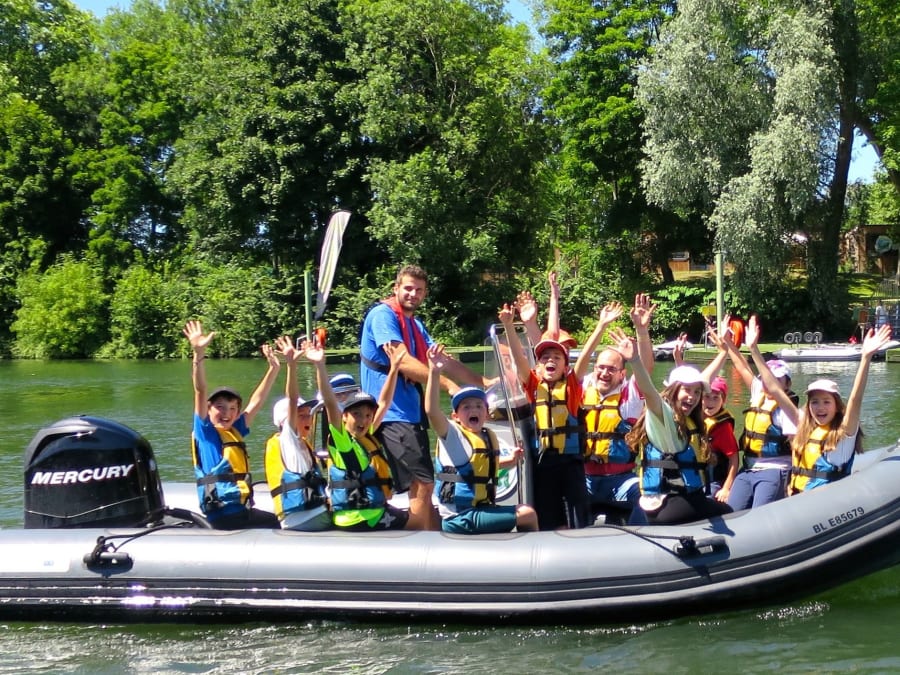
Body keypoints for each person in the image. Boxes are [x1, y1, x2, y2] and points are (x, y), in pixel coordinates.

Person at [359, 264, 486, 531]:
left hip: (411, 412)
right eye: (407, 288)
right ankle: (417, 548)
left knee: (427, 482)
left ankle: (434, 535)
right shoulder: (383, 316)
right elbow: (402, 360)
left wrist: (482, 382)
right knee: (422, 483)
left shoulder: (414, 324)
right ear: (396, 288)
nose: (413, 294)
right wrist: (450, 386)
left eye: (419, 290)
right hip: (390, 412)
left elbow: (442, 360)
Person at [745, 321, 892, 495]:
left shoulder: (844, 432)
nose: (820, 407)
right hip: (796, 499)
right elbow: (775, 390)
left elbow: (855, 398)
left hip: (824, 506)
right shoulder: (803, 426)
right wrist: (754, 349)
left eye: (826, 401)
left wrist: (866, 357)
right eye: (814, 402)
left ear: (837, 406)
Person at [616, 326, 732, 525]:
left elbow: (705, 379)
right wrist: (635, 360)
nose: (693, 397)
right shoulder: (664, 417)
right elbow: (650, 392)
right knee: (727, 511)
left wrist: (724, 352)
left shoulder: (684, 418)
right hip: (668, 505)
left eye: (697, 393)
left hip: (665, 502)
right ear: (673, 390)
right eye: (686, 390)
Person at [499, 303, 597, 530]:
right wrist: (508, 326)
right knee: (547, 512)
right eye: (544, 358)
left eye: (557, 357)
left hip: (571, 463)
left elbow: (586, 356)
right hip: (544, 462)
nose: (550, 361)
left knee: (577, 513)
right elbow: (518, 356)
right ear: (538, 367)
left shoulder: (572, 387)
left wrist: (600, 325)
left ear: (565, 367)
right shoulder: (533, 384)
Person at [308, 337, 421, 530]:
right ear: (344, 417)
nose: (363, 420)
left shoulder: (366, 434)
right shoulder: (343, 440)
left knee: (420, 512)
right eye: (357, 414)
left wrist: (393, 369)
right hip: (357, 516)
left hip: (371, 511)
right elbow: (329, 402)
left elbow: (384, 403)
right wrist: (320, 366)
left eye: (368, 415)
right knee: (418, 520)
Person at [426, 344, 538, 533]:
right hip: (460, 517)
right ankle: (534, 557)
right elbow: (432, 410)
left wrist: (509, 461)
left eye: (479, 406)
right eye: (466, 407)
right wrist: (434, 373)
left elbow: (477, 468)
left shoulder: (486, 436)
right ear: (455, 416)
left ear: (487, 414)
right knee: (527, 513)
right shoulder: (452, 435)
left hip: (481, 509)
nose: (474, 410)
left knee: (510, 518)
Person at [183, 320, 281, 530]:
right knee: (277, 527)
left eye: (232, 408)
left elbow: (257, 402)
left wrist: (273, 369)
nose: (226, 413)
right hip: (224, 516)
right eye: (220, 407)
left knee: (277, 522)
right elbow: (200, 390)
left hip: (241, 510)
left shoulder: (235, 431)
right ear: (209, 410)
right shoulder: (206, 432)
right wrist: (198, 354)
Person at [580, 294, 657, 522]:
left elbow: (647, 368)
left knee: (647, 496)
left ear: (622, 374)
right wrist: (601, 326)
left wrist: (642, 332)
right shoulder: (583, 386)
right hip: (585, 480)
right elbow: (580, 363)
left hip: (620, 480)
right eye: (601, 368)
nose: (604, 373)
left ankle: (637, 541)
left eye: (611, 369)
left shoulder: (630, 394)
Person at [714, 318, 799, 511]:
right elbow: (742, 366)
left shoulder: (787, 410)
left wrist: (794, 480)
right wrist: (728, 342)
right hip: (749, 468)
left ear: (787, 385)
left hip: (775, 470)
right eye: (767, 379)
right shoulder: (758, 393)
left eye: (777, 380)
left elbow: (797, 448)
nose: (769, 384)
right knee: (730, 510)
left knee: (760, 512)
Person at [264, 336, 330, 531]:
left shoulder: (303, 445)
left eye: (308, 414)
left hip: (312, 512)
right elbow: (292, 399)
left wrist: (319, 366)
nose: (308, 418)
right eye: (301, 416)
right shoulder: (287, 439)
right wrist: (291, 365)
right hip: (305, 518)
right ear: (286, 422)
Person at [702, 376, 739, 503]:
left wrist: (726, 488)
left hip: (713, 482)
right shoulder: (695, 419)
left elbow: (733, 458)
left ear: (723, 401)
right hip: (696, 481)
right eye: (707, 396)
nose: (710, 402)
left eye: (716, 397)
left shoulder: (723, 427)